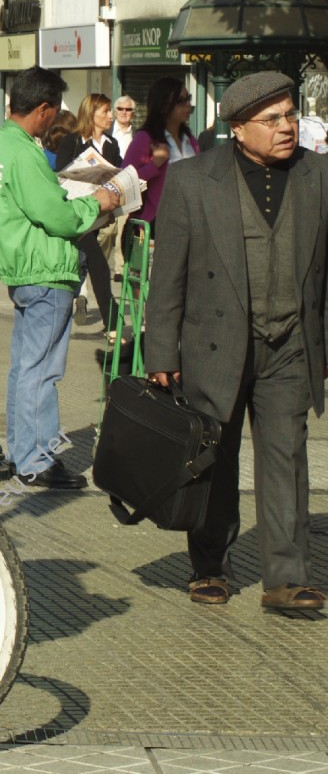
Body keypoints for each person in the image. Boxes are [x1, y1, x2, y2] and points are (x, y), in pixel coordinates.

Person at [145, 72, 327, 612]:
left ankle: (286, 578)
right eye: (272, 120)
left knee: (287, 455)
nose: (287, 127)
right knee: (213, 459)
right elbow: (168, 275)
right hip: (216, 344)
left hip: (290, 343)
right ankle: (209, 567)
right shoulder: (193, 180)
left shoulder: (318, 175)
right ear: (239, 128)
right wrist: (161, 352)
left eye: (291, 115)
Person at [0, 67, 120, 490]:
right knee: (42, 369)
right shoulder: (23, 150)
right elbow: (58, 217)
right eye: (53, 111)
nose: (54, 118)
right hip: (46, 269)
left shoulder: (4, 144)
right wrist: (98, 202)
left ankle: (22, 452)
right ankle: (36, 458)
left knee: (25, 368)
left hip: (26, 268)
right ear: (42, 110)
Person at [55, 93, 123, 334]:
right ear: (90, 113)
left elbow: (117, 176)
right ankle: (112, 322)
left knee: (86, 265)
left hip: (99, 216)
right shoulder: (72, 142)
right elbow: (60, 177)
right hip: (77, 213)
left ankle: (102, 319)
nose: (110, 116)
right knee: (97, 264)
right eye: (104, 111)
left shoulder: (111, 144)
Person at [124, 75, 199, 227]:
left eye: (188, 98)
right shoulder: (145, 139)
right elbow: (125, 184)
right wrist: (155, 164)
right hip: (155, 224)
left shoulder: (189, 139)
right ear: (163, 105)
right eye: (180, 100)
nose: (187, 105)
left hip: (190, 222)